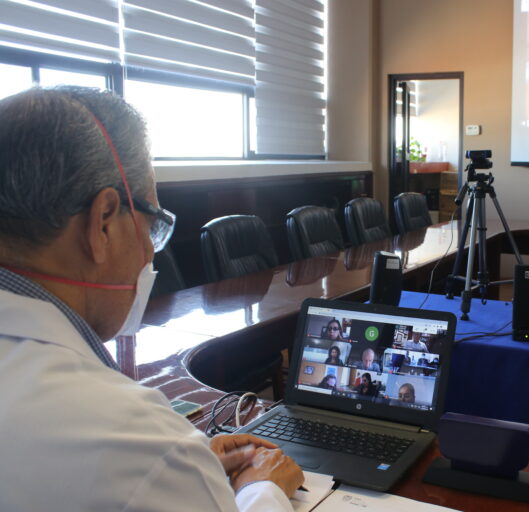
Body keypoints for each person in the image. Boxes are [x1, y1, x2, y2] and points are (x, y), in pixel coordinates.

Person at [0, 87, 304, 511]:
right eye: (151, 225)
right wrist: (262, 488)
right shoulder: (134, 439)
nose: (148, 251)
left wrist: (184, 469)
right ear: (103, 222)